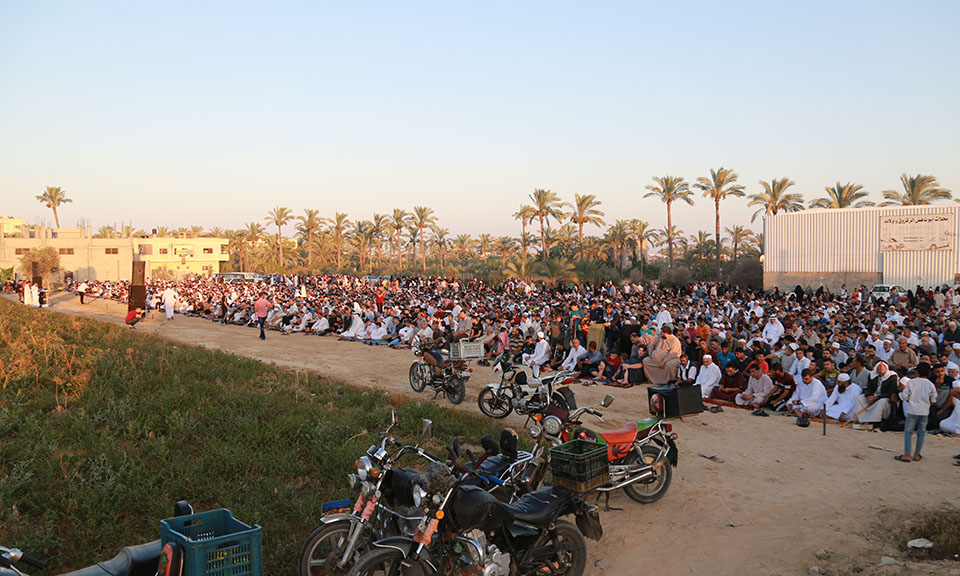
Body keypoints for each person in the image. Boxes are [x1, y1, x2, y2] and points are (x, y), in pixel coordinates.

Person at [896, 362, 937, 463]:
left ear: (917, 372)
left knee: (908, 432)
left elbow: (904, 396)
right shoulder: (930, 384)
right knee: (921, 432)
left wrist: (910, 400)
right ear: (930, 372)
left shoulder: (911, 382)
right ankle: (917, 454)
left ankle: (907, 454)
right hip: (924, 411)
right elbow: (933, 400)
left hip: (912, 410)